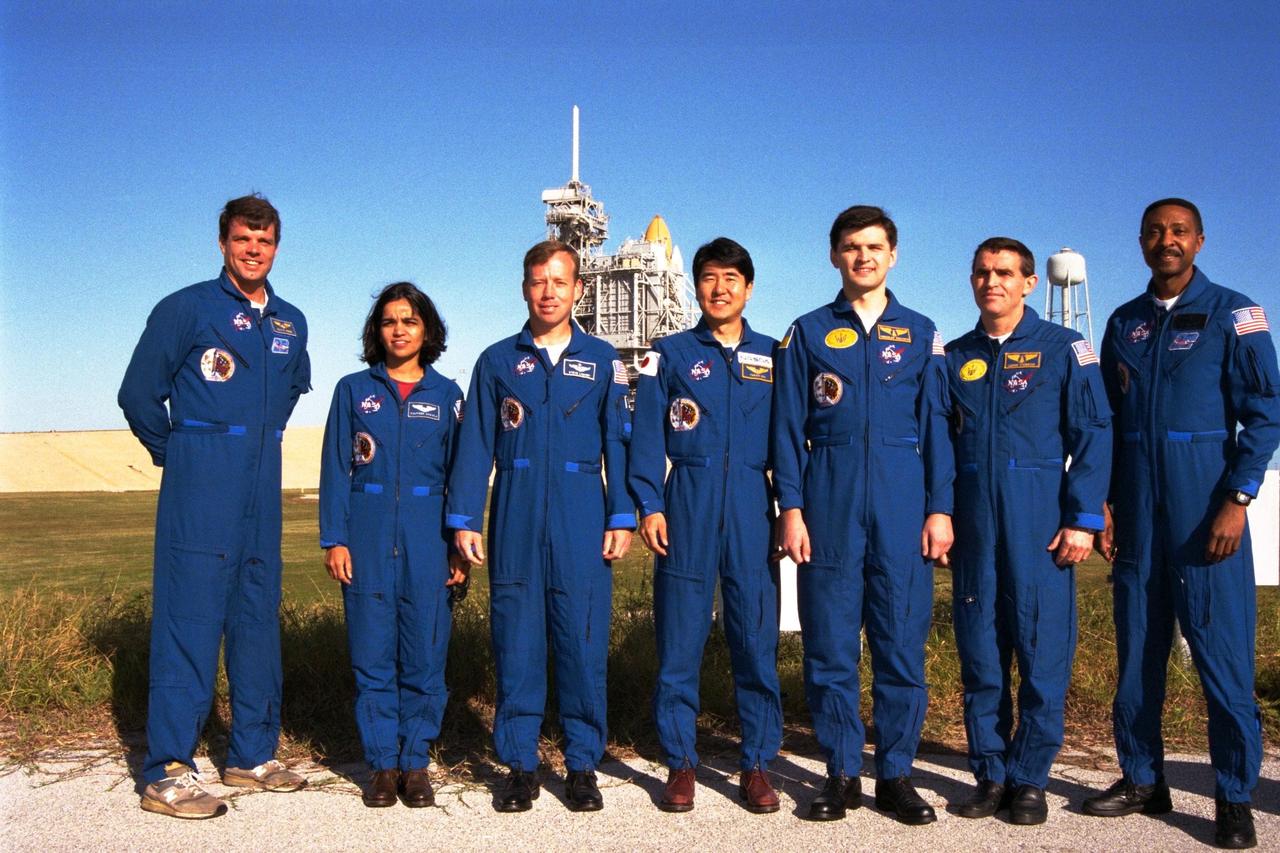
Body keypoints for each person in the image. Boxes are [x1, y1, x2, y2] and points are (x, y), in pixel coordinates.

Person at [1086, 199, 1279, 850]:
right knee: (1138, 650)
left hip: (1207, 507)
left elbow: (1265, 414)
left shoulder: (1235, 311)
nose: (1166, 241)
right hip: (1138, 509)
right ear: (1140, 242)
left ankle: (1233, 794)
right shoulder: (1123, 323)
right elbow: (1107, 424)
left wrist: (1238, 497)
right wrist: (1107, 503)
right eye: (1155, 232)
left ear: (1199, 240)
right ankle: (1143, 776)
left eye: (1179, 231)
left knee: (1221, 656)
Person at [118, 194, 311, 819]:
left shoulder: (289, 322)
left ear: (277, 246)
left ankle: (251, 754)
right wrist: (181, 453)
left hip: (262, 481)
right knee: (190, 619)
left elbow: (288, 392)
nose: (253, 250)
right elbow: (139, 394)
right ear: (223, 243)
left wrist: (256, 442)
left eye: (264, 241)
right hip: (201, 480)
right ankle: (168, 770)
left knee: (256, 615)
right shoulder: (186, 309)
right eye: (242, 239)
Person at [773, 205, 953, 824]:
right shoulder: (808, 332)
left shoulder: (924, 332)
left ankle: (896, 774)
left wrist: (939, 509)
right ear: (834, 256)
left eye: (874, 246)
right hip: (829, 493)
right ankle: (842, 771)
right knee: (829, 644)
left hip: (904, 499)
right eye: (851, 247)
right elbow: (786, 431)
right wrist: (791, 509)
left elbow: (938, 431)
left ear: (894, 254)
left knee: (900, 642)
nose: (863, 257)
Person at [446, 240, 635, 813]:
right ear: (524, 287)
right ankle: (521, 765)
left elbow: (619, 445)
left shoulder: (604, 360)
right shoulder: (498, 361)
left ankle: (582, 765)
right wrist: (463, 518)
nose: (548, 292)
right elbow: (476, 444)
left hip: (582, 504)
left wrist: (621, 512)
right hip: (516, 503)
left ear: (579, 289)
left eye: (559, 281)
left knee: (581, 640)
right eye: (537, 281)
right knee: (517, 638)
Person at [943, 238, 1111, 824]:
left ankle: (1031, 778)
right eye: (984, 272)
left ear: (1031, 282)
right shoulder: (955, 355)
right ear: (972, 280)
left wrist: (1083, 518)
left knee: (1042, 652)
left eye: (1006, 273)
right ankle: (990, 771)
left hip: (1039, 518)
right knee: (981, 652)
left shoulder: (1065, 348)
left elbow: (1093, 433)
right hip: (973, 524)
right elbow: (939, 444)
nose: (994, 282)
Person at [629, 237, 783, 814]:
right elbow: (645, 437)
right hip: (686, 500)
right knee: (679, 639)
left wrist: (787, 506)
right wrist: (651, 503)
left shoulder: (775, 355)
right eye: (709, 278)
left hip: (751, 503)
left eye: (731, 279)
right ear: (696, 287)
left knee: (754, 640)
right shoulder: (666, 353)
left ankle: (757, 763)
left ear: (748, 287)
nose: (720, 289)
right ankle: (680, 762)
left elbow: (789, 441)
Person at [319, 282, 467, 808]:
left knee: (425, 655)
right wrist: (335, 539)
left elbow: (461, 475)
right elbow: (336, 469)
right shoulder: (353, 390)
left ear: (427, 330)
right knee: (373, 653)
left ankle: (416, 762)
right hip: (368, 529)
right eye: (389, 321)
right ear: (376, 331)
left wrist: (457, 544)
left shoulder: (448, 395)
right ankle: (382, 764)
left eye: (409, 321)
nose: (399, 330)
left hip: (429, 535)